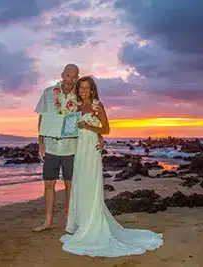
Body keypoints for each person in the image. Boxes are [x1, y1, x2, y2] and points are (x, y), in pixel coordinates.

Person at [60, 76, 163, 257]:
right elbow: (71, 130)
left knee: (91, 187)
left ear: (92, 90)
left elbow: (106, 129)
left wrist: (91, 129)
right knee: (81, 186)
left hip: (91, 150)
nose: (83, 91)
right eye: (81, 88)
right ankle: (83, 224)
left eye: (87, 88)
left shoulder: (97, 106)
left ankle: (94, 227)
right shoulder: (75, 106)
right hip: (79, 150)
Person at [33, 64, 104, 232]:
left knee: (70, 184)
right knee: (49, 183)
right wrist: (40, 143)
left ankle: (68, 220)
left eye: (74, 77)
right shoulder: (49, 93)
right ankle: (48, 220)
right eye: (68, 76)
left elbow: (90, 117)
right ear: (62, 75)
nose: (71, 80)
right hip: (51, 145)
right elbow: (42, 118)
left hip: (72, 147)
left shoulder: (79, 95)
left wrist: (99, 136)